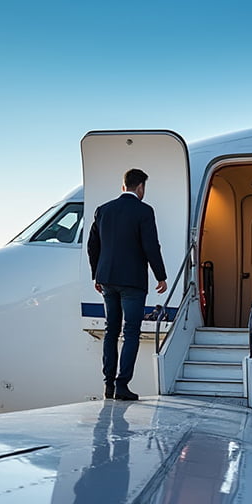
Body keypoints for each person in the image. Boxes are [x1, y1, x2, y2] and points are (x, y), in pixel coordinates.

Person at [87, 168, 167, 401]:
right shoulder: (144, 211)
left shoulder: (103, 210)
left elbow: (93, 245)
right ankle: (123, 385)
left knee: (111, 330)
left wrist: (97, 275)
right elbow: (151, 246)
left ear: (124, 186)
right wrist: (160, 275)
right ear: (140, 187)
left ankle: (108, 385)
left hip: (107, 280)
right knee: (131, 331)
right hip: (132, 282)